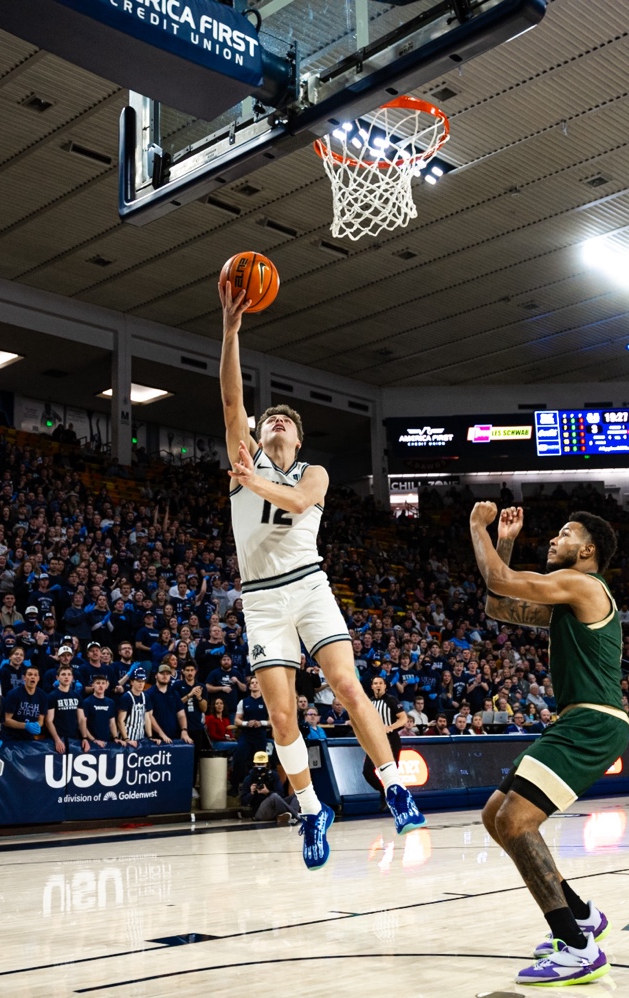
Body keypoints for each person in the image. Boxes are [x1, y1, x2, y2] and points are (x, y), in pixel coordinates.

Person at [219, 283, 425, 868]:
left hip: (308, 586)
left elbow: (299, 502)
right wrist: (232, 332)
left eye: (287, 420)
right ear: (259, 436)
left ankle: (395, 788)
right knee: (282, 714)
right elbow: (233, 397)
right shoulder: (247, 453)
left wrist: (251, 482)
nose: (277, 422)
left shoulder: (315, 472)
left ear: (298, 438)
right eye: (272, 419)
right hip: (260, 600)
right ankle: (311, 810)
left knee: (348, 686)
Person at [470, 503, 623, 986]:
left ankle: (579, 950)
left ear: (588, 550)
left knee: (516, 820)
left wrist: (480, 528)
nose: (554, 540)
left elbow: (499, 579)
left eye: (564, 533)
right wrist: (507, 541)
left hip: (592, 722)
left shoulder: (584, 584)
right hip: (576, 722)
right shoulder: (568, 598)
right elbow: (497, 603)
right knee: (496, 815)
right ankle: (580, 915)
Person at [363, 674, 407, 795]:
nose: (378, 685)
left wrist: (390, 727)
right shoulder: (369, 702)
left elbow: (403, 718)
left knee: (391, 771)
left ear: (385, 686)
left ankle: (397, 796)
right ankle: (383, 792)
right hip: (375, 739)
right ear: (372, 686)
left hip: (391, 738)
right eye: (375, 683)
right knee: (367, 771)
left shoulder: (391, 700)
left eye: (380, 683)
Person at [240, 750, 300, 824]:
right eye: (258, 764)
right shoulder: (249, 778)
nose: (260, 766)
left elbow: (281, 794)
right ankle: (295, 815)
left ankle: (288, 814)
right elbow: (243, 801)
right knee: (274, 796)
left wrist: (268, 792)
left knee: (297, 794)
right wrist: (252, 793)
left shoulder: (273, 775)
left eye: (262, 764)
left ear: (267, 764)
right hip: (260, 811)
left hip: (275, 806)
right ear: (254, 764)